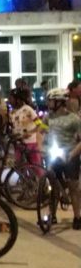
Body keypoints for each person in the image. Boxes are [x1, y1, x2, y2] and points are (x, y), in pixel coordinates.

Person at [44, 88, 81, 229]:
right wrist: (41, 147)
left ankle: (77, 216)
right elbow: (41, 131)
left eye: (51, 101)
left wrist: (72, 154)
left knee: (73, 186)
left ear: (59, 102)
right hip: (53, 153)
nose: (48, 103)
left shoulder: (74, 119)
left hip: (70, 153)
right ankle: (51, 215)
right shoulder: (48, 118)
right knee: (52, 185)